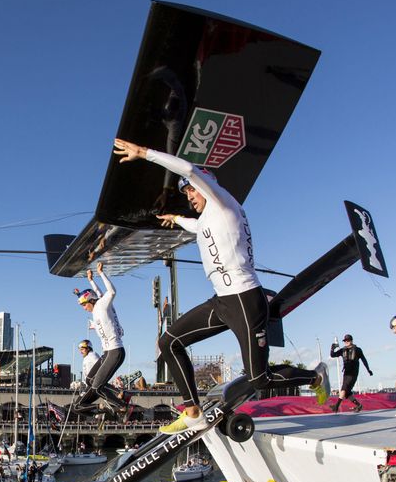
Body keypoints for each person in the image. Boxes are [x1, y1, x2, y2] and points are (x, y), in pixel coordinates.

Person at [112, 138, 330, 433]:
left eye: (191, 190)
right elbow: (195, 226)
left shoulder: (224, 202)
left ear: (206, 184)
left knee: (259, 379)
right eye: (187, 193)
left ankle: (315, 377)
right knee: (169, 342)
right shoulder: (207, 220)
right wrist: (175, 218)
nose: (189, 196)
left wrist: (144, 153)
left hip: (245, 300)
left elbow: (188, 168)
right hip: (223, 301)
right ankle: (193, 412)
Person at [72, 262, 128, 418]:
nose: (84, 308)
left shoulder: (102, 305)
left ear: (90, 301)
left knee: (97, 387)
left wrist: (101, 273)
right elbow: (97, 292)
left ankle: (123, 405)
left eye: (84, 305)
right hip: (107, 352)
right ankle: (117, 393)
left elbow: (111, 291)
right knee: (90, 380)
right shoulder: (97, 306)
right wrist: (91, 280)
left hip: (115, 351)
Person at [329, 335, 372, 413]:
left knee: (344, 388)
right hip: (346, 373)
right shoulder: (343, 350)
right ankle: (359, 405)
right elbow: (332, 355)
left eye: (348, 340)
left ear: (351, 340)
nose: (346, 342)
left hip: (353, 373)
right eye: (345, 341)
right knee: (347, 393)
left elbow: (364, 360)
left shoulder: (358, 350)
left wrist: (368, 370)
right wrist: (332, 348)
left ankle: (336, 406)